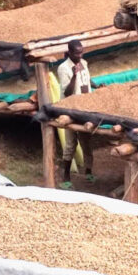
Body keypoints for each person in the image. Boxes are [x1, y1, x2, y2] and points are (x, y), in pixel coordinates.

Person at [49, 40, 95, 175]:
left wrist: (96, 86)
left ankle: (88, 172)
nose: (80, 56)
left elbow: (86, 81)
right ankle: (66, 176)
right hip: (70, 109)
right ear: (69, 53)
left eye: (81, 52)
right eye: (77, 53)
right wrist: (74, 74)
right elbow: (67, 92)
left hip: (84, 107)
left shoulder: (84, 63)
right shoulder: (63, 68)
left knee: (86, 142)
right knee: (70, 144)